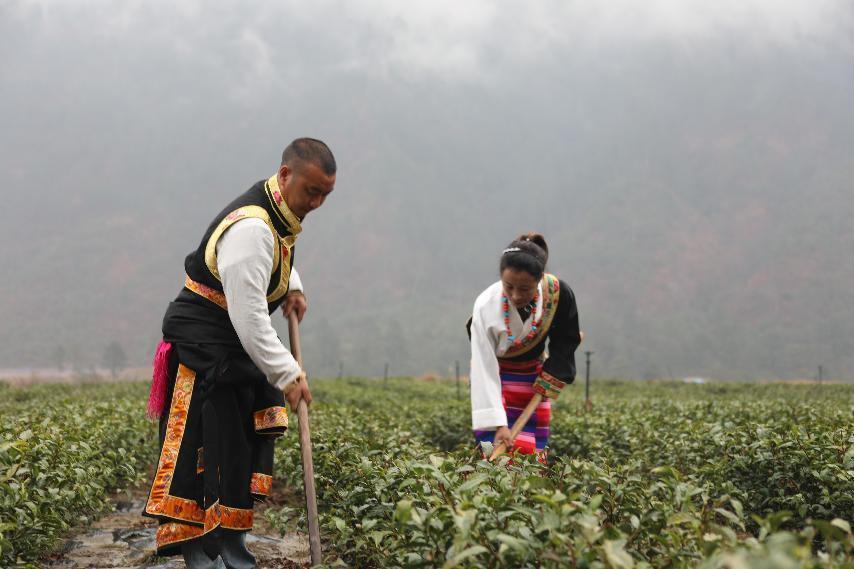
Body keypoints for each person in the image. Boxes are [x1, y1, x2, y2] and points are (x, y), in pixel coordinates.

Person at [142, 138, 336, 568]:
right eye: (312, 191)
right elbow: (250, 318)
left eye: (325, 194)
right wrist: (288, 375)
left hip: (229, 346)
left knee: (235, 455)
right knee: (204, 458)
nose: (317, 203)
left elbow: (272, 257)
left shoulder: (275, 217)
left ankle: (234, 552)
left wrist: (293, 287)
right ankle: (204, 559)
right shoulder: (252, 228)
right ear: (285, 175)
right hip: (206, 349)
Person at [468, 233, 581, 462]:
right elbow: (483, 367)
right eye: (508, 286)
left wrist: (552, 373)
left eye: (525, 288)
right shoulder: (485, 306)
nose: (516, 295)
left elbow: (565, 339)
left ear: (539, 280)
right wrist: (499, 424)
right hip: (496, 381)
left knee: (531, 455)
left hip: (534, 380)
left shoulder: (556, 293)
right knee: (494, 452)